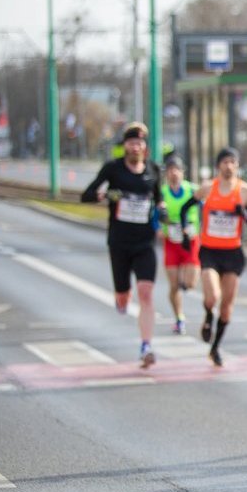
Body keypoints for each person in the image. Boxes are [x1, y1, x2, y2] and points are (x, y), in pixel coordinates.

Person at [80, 122, 162, 368]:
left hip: (145, 242)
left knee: (146, 293)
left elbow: (158, 199)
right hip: (119, 242)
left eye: (140, 143)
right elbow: (86, 195)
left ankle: (146, 345)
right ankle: (121, 297)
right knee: (124, 296)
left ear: (145, 146)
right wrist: (105, 195)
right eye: (131, 142)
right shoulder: (113, 170)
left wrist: (162, 210)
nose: (136, 147)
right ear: (125, 146)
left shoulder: (153, 170)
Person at [185, 147, 247, 367]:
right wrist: (185, 227)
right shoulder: (208, 188)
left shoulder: (246, 191)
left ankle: (215, 347)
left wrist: (243, 214)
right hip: (209, 251)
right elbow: (185, 208)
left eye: (233, 162)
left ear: (237, 166)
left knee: (227, 307)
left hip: (233, 254)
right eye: (225, 162)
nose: (229, 166)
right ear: (218, 165)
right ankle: (208, 314)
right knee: (212, 297)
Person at [159, 155, 201, 334]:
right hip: (171, 242)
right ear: (166, 174)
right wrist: (158, 227)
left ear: (182, 172)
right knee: (174, 285)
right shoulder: (162, 192)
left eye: (176, 169)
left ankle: (186, 280)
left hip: (190, 240)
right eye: (170, 170)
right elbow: (155, 214)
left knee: (190, 283)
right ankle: (179, 318)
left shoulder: (192, 190)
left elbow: (207, 207)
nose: (173, 173)